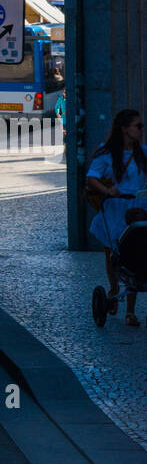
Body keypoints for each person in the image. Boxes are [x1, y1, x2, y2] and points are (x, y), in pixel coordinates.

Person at [86, 109, 147, 326]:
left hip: (138, 209)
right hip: (115, 208)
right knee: (113, 252)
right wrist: (107, 190)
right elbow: (91, 177)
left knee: (136, 254)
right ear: (125, 129)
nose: (141, 130)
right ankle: (113, 288)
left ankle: (130, 311)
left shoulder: (143, 153)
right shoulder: (106, 153)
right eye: (138, 126)